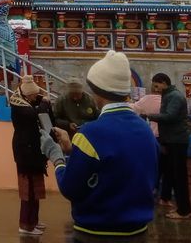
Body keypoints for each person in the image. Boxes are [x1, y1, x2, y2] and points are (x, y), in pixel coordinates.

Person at [43, 50, 159, 241]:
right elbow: (126, 165)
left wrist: (57, 157)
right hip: (138, 233)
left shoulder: (89, 134)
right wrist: (76, 151)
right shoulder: (146, 131)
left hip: (95, 233)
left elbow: (70, 188)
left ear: (97, 92)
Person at [146, 73, 191, 220]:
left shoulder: (174, 97)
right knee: (172, 174)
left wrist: (149, 116)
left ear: (164, 82)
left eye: (156, 85)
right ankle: (180, 207)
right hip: (171, 140)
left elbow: (170, 116)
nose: (155, 88)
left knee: (179, 176)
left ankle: (184, 210)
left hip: (177, 140)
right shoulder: (169, 95)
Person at [10, 75, 51, 237]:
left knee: (36, 188)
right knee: (28, 191)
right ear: (27, 96)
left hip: (33, 151)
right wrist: (43, 102)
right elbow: (34, 114)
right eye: (33, 95)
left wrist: (40, 100)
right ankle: (25, 225)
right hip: (25, 152)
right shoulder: (20, 107)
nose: (36, 97)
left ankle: (33, 221)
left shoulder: (27, 102)